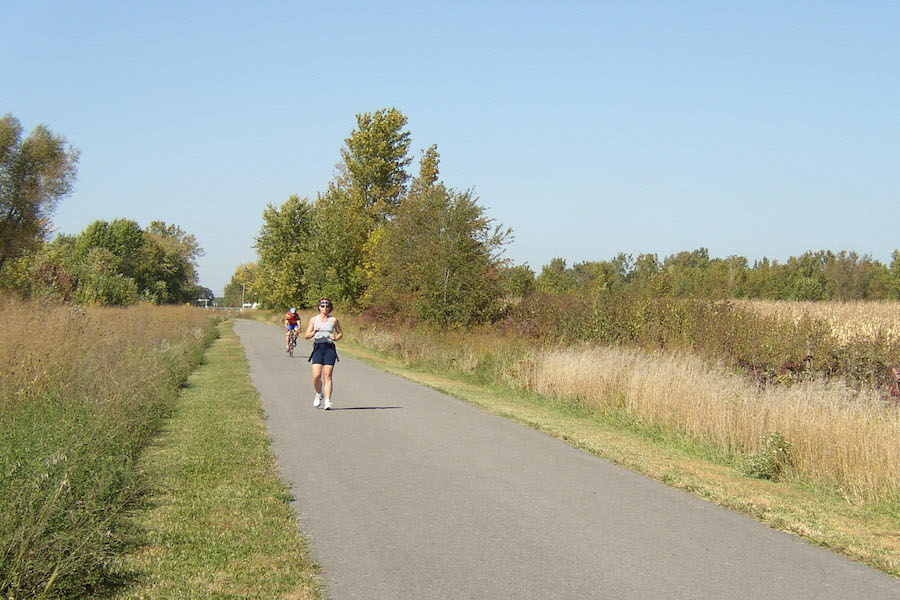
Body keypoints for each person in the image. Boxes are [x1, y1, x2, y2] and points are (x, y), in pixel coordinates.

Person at [305, 297, 343, 409]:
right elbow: (307, 335)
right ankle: (318, 394)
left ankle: (327, 401)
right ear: (319, 307)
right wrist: (314, 331)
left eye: (327, 306)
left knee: (328, 376)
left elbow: (340, 333)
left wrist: (335, 338)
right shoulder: (313, 319)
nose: (325, 308)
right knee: (316, 376)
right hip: (318, 348)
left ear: (330, 308)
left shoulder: (334, 320)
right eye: (323, 306)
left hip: (329, 348)